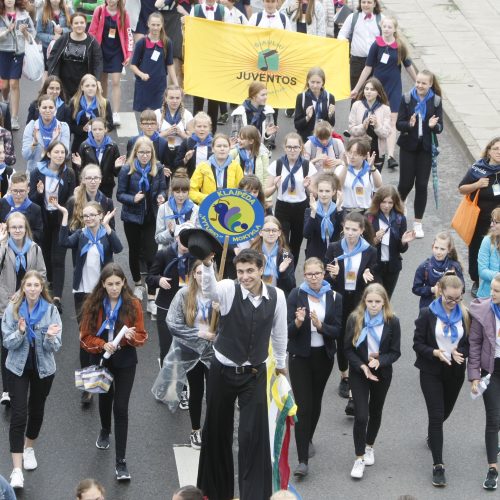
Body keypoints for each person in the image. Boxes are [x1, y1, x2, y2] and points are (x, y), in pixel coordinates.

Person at [196, 248, 287, 500]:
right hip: (222, 371)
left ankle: (254, 496)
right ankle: (213, 494)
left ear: (261, 270)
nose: (245, 276)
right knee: (216, 431)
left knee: (253, 437)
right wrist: (206, 265)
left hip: (254, 373)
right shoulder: (227, 288)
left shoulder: (277, 296)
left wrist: (281, 365)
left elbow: (279, 334)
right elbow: (209, 291)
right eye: (240, 271)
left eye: (250, 271)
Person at [80, 263, 147, 481]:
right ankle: (104, 429)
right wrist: (101, 343)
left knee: (121, 407)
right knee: (105, 398)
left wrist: (131, 338)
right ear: (103, 284)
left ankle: (121, 462)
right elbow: (84, 338)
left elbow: (142, 335)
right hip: (101, 357)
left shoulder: (133, 304)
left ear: (124, 283)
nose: (114, 288)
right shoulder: (93, 304)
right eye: (110, 284)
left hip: (125, 358)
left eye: (118, 284)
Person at [57, 201, 122, 405]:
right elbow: (63, 242)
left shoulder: (106, 235)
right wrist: (65, 216)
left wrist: (109, 227)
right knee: (85, 338)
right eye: (85, 216)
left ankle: (100, 378)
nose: (88, 219)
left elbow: (119, 248)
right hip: (82, 293)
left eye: (92, 215)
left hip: (102, 293)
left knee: (100, 335)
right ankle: (87, 387)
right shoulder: (81, 235)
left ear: (100, 216)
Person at [2, 270, 62, 490]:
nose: (33, 289)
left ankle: (29, 448)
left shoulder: (51, 311)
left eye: (37, 285)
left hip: (43, 369)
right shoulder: (13, 309)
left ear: (41, 288)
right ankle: (17, 470)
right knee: (18, 414)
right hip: (17, 368)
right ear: (23, 287)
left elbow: (55, 347)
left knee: (36, 410)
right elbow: (7, 343)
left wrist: (49, 337)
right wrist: (19, 332)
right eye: (29, 285)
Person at [287, 257, 342, 477]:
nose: (313, 278)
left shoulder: (334, 296)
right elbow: (287, 331)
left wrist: (320, 326)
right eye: (309, 274)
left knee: (316, 400)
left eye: (317, 274)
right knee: (302, 404)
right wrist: (299, 322)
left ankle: (308, 436)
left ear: (324, 274)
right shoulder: (295, 295)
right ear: (304, 275)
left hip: (323, 357)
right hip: (300, 356)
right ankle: (302, 462)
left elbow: (337, 330)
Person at [413, 273, 470, 487]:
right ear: (440, 291)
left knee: (444, 413)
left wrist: (460, 352)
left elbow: (470, 343)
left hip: (454, 371)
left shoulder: (465, 314)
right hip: (431, 370)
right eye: (449, 299)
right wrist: (435, 352)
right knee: (436, 416)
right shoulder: (427, 314)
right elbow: (418, 344)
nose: (453, 303)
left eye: (458, 299)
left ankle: (432, 436)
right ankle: (438, 466)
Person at [153, 261, 215, 449]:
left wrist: (222, 314)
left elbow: (233, 323)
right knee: (197, 391)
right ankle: (195, 430)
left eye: (206, 273)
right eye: (199, 273)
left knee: (214, 394)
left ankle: (211, 430)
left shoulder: (221, 294)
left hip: (214, 352)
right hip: (191, 351)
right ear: (193, 275)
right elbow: (173, 324)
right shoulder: (183, 294)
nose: (203, 276)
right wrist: (199, 334)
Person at [344, 283, 401, 479]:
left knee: (375, 410)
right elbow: (348, 349)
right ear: (364, 301)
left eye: (378, 302)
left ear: (384, 302)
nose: (374, 305)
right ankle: (358, 457)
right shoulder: (355, 319)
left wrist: (380, 360)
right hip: (360, 372)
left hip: (381, 373)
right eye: (370, 302)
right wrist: (362, 366)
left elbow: (395, 351)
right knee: (361, 416)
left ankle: (369, 446)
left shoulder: (392, 321)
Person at [324, 211, 377, 410]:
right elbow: (326, 279)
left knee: (356, 339)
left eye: (355, 230)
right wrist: (336, 276)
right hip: (339, 300)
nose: (350, 233)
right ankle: (344, 376)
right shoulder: (334, 248)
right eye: (347, 229)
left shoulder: (370, 251)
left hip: (358, 301)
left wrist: (368, 275)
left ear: (362, 230)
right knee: (341, 339)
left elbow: (373, 278)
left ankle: (354, 393)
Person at [350, 16, 417, 170]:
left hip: (394, 87)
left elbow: (408, 66)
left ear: (394, 29)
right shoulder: (376, 45)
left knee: (392, 120)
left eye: (389, 27)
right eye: (384, 26)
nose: (386, 29)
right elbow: (367, 68)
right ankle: (373, 148)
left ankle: (391, 156)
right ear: (381, 28)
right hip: (377, 88)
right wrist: (357, 88)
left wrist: (417, 83)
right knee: (377, 118)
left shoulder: (400, 46)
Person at [0, 214, 46, 409]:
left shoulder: (35, 249)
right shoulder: (3, 248)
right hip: (4, 303)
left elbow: (42, 273)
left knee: (27, 341)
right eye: (13, 227)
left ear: (26, 229)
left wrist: (24, 291)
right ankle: (7, 389)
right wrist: (2, 245)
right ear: (8, 229)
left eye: (20, 227)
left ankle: (24, 382)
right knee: (6, 345)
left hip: (29, 302)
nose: (17, 230)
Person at [117, 136, 167, 303]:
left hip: (151, 216)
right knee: (134, 250)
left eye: (148, 152)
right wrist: (133, 199)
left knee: (152, 254)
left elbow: (162, 189)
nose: (145, 156)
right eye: (141, 152)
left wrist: (161, 197)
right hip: (132, 217)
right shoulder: (126, 169)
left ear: (152, 153)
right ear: (135, 153)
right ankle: (138, 284)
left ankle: (152, 293)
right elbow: (120, 194)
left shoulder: (157, 168)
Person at [28, 141, 76, 313]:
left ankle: (56, 298)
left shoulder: (68, 173)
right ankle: (50, 282)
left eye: (62, 153)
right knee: (46, 256)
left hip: (60, 218)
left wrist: (65, 212)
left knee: (58, 258)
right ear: (49, 154)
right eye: (56, 152)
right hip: (42, 220)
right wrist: (40, 194)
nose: (60, 155)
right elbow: (31, 200)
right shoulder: (37, 172)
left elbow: (72, 198)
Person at [396, 70, 443, 238]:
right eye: (418, 82)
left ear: (430, 84)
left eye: (424, 83)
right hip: (408, 147)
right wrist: (409, 124)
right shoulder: (407, 99)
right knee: (405, 184)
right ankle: (397, 213)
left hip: (425, 149)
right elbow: (399, 124)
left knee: (422, 185)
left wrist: (432, 126)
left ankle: (417, 223)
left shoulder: (436, 101)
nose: (420, 85)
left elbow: (440, 127)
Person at [146, 222, 196, 378]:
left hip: (188, 307)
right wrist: (159, 280)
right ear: (176, 237)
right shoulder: (164, 254)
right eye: (183, 237)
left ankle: (182, 385)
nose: (186, 242)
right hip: (166, 307)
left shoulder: (196, 258)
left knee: (186, 348)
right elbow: (149, 278)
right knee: (167, 347)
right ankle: (166, 382)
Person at [468, 273, 500, 490]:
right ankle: (492, 469)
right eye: (493, 289)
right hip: (491, 372)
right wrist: (474, 375)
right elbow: (475, 344)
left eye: (497, 291)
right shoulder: (483, 310)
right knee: (494, 418)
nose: (492, 293)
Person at [458, 137, 500, 298]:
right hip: (480, 220)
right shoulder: (478, 168)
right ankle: (477, 280)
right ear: (489, 150)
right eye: (496, 148)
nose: (499, 152)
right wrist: (477, 185)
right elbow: (462, 188)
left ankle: (496, 281)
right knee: (476, 249)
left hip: (499, 221)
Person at [266, 132, 317, 264]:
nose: (292, 150)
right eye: (289, 147)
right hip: (283, 207)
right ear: (284, 147)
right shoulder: (277, 165)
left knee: (296, 244)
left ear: (301, 148)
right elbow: (266, 192)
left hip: (301, 207)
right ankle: (282, 272)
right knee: (283, 243)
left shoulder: (307, 166)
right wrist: (275, 187)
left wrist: (307, 187)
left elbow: (315, 193)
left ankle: (290, 275)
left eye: (295, 147)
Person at [88, 0, 133, 125]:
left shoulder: (124, 13)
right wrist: (92, 50)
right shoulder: (100, 10)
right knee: (102, 83)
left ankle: (116, 113)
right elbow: (92, 31)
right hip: (101, 49)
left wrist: (128, 54)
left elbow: (128, 34)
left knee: (116, 82)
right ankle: (103, 111)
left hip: (117, 52)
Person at [366, 185, 415, 298]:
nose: (386, 206)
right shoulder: (370, 217)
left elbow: (402, 250)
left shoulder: (399, 219)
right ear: (378, 201)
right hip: (375, 266)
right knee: (377, 296)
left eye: (390, 202)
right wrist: (375, 240)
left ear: (395, 203)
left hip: (392, 267)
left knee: (387, 298)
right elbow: (365, 246)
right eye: (383, 202)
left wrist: (403, 242)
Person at [47, 12, 103, 99]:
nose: (79, 25)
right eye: (76, 23)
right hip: (64, 84)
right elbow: (53, 58)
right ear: (71, 25)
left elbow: (98, 63)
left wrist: (97, 80)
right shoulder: (64, 39)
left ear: (85, 24)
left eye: (82, 23)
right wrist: (54, 78)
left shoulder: (92, 42)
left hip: (84, 85)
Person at [130, 12, 178, 112]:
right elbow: (133, 65)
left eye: (158, 25)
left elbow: (170, 65)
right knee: (144, 116)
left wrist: (176, 85)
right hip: (144, 85)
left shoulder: (167, 43)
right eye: (153, 25)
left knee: (158, 113)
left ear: (162, 25)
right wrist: (141, 74)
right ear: (148, 24)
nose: (155, 28)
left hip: (159, 85)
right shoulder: (141, 43)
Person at [0, 0, 34, 130]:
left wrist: (25, 32)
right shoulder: (1, 14)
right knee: (4, 85)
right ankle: (5, 100)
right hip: (3, 52)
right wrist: (7, 31)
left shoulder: (24, 14)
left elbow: (32, 35)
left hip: (18, 53)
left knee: (14, 83)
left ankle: (14, 117)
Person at [72, 118, 125, 197]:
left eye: (100, 129)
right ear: (91, 130)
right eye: (94, 129)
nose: (97, 132)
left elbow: (116, 173)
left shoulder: (112, 146)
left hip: (106, 187)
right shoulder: (84, 146)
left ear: (105, 129)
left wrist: (117, 166)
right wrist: (79, 165)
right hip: (89, 186)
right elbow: (81, 174)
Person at [412, 231, 464, 310]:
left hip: (449, 308)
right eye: (436, 248)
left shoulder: (454, 267)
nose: (438, 252)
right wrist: (432, 289)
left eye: (442, 249)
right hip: (428, 308)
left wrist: (447, 292)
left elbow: (462, 288)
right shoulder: (424, 266)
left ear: (449, 250)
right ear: (432, 247)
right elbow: (416, 288)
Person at [349, 77, 391, 172]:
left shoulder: (385, 109)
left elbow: (386, 133)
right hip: (359, 149)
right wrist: (363, 126)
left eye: (372, 90)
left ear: (378, 93)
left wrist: (377, 125)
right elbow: (351, 129)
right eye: (366, 89)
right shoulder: (357, 105)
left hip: (377, 149)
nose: (368, 92)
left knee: (374, 179)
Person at [337, 0, 382, 89]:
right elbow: (341, 34)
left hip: (375, 62)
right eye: (363, 2)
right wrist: (345, 40)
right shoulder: (352, 17)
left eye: (369, 2)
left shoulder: (381, 19)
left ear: (374, 4)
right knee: (356, 93)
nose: (366, 5)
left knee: (375, 93)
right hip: (357, 62)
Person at [22, 94, 70, 175]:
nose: (47, 110)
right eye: (44, 108)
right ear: (39, 109)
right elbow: (25, 156)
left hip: (55, 173)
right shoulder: (31, 126)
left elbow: (65, 154)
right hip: (34, 173)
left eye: (51, 107)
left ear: (56, 109)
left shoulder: (63, 127)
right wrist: (34, 143)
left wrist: (54, 141)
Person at [189, 133, 244, 205]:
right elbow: (191, 190)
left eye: (225, 146)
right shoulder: (203, 166)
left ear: (229, 148)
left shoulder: (236, 166)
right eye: (218, 146)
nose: (222, 149)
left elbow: (242, 190)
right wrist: (206, 198)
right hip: (208, 207)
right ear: (212, 148)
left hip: (231, 208)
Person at [250, 215, 295, 297]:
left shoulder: (286, 256)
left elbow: (291, 286)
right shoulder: (252, 254)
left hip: (278, 298)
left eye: (274, 230)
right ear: (260, 232)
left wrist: (283, 272)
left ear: (279, 233)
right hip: (256, 297)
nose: (271, 233)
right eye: (267, 230)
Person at [69, 73, 114, 156]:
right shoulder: (74, 103)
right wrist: (82, 129)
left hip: (99, 145)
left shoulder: (104, 103)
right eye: (87, 86)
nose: (90, 88)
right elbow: (70, 125)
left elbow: (110, 124)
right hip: (79, 144)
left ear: (97, 87)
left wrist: (100, 130)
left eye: (93, 86)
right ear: (82, 87)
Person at [334, 137, 382, 213]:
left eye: (356, 154)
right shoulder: (340, 169)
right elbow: (338, 186)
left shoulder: (370, 170)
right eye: (350, 152)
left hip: (365, 212)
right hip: (345, 211)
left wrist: (372, 167)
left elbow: (378, 185)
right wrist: (346, 166)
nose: (352, 156)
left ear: (364, 156)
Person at [155, 169, 198, 250]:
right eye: (177, 192)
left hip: (189, 254)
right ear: (172, 191)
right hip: (168, 254)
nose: (181, 195)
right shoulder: (163, 208)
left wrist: (193, 230)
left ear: (188, 192)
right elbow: (157, 238)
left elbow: (200, 238)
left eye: (184, 192)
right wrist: (170, 232)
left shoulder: (196, 209)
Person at [303, 172, 343, 259]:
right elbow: (306, 234)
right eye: (321, 191)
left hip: (334, 255)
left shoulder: (338, 210)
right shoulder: (309, 210)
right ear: (317, 191)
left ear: (334, 192)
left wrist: (339, 208)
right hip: (314, 256)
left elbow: (343, 230)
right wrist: (313, 213)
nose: (323, 194)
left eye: (327, 191)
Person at [66, 164, 115, 232]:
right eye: (89, 178)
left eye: (96, 178)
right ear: (83, 180)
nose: (93, 181)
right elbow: (69, 229)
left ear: (100, 180)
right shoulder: (73, 201)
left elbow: (111, 230)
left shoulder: (107, 202)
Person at [156, 85, 194, 172]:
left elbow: (192, 140)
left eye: (177, 98)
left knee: (178, 181)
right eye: (171, 98)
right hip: (162, 151)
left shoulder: (187, 115)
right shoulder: (157, 114)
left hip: (180, 152)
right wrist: (165, 133)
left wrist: (181, 134)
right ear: (165, 98)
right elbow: (151, 138)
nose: (175, 101)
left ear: (181, 98)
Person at [231, 82, 278, 151]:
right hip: (243, 152)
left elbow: (271, 140)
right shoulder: (239, 113)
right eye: (263, 95)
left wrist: (267, 135)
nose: (266, 97)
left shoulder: (268, 111)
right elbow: (235, 136)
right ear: (253, 96)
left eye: (266, 94)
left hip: (261, 153)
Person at [293, 67, 335, 143]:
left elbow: (331, 124)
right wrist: (307, 117)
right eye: (312, 82)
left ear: (323, 83)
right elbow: (297, 125)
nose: (315, 85)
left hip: (323, 138)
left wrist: (330, 115)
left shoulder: (330, 97)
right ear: (308, 81)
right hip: (305, 139)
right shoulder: (301, 97)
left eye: (318, 82)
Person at [0, 172, 43, 244]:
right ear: (10, 189)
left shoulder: (35, 209)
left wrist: (21, 235)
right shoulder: (2, 203)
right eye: (15, 191)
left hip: (25, 246)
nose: (18, 194)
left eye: (22, 191)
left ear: (28, 189)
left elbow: (39, 233)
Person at [230, 125, 270, 201]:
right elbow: (222, 159)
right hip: (240, 190)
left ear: (251, 141)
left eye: (242, 139)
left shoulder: (262, 155)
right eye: (238, 137)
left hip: (255, 192)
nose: (239, 140)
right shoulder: (235, 152)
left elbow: (266, 177)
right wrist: (228, 147)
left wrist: (267, 199)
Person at [35, 0, 71, 73]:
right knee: (48, 71)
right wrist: (52, 37)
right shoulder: (43, 12)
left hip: (65, 46)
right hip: (48, 47)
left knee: (64, 71)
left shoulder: (68, 10)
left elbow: (73, 28)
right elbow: (39, 33)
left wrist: (62, 30)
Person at [175, 111, 213, 178]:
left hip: (209, 180)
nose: (202, 129)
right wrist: (185, 159)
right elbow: (176, 165)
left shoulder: (214, 143)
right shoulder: (187, 142)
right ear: (194, 128)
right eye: (199, 126)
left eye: (205, 127)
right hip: (191, 180)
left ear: (209, 128)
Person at [477, 207, 500, 298]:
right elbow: (482, 271)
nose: (491, 224)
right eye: (492, 221)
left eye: (495, 222)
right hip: (488, 296)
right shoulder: (487, 241)